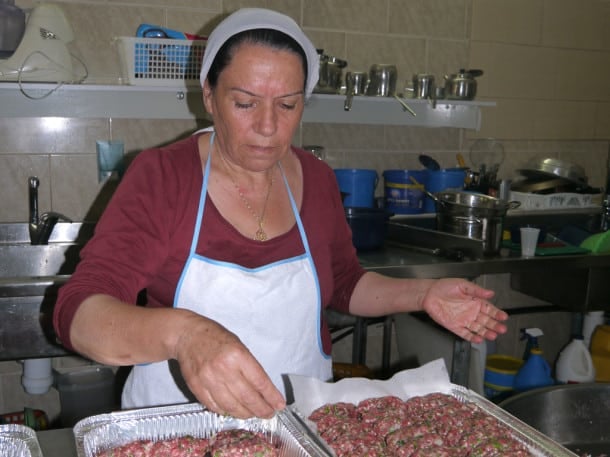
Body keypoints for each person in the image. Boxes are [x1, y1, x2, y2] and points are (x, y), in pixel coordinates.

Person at [53, 8, 507, 420]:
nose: (268, 127)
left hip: (297, 427)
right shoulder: (163, 176)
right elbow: (79, 316)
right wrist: (184, 336)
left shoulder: (317, 179)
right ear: (209, 96)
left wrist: (424, 294)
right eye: (245, 103)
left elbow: (345, 283)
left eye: (287, 105)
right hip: (176, 430)